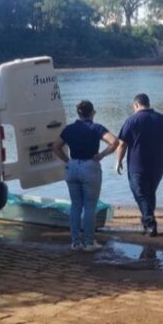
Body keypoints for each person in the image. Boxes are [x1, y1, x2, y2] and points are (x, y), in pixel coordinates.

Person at [53, 100, 119, 251]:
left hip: (72, 167)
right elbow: (114, 142)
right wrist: (102, 155)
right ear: (92, 113)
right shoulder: (96, 128)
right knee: (90, 206)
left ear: (78, 113)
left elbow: (56, 147)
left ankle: (75, 242)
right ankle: (89, 242)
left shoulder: (69, 129)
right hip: (90, 166)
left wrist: (67, 160)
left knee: (75, 205)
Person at [115, 93, 163, 237]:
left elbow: (122, 144)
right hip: (158, 164)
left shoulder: (131, 120)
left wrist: (118, 161)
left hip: (137, 165)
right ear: (148, 103)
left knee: (139, 193)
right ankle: (147, 224)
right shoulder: (161, 118)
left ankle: (150, 224)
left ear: (136, 105)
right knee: (149, 194)